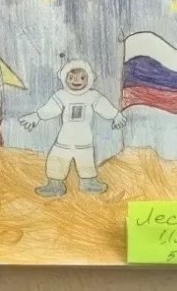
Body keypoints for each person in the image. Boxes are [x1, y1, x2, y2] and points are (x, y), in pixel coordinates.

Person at [19, 59, 126, 196]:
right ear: (65, 78)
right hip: (64, 139)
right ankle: (54, 184)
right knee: (56, 159)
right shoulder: (61, 95)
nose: (76, 81)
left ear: (89, 78)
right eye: (71, 77)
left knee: (86, 160)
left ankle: (89, 182)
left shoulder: (92, 96)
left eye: (82, 77)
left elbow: (104, 106)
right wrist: (37, 116)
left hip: (84, 139)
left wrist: (116, 115)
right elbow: (51, 109)